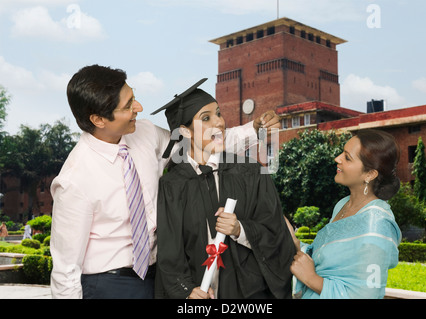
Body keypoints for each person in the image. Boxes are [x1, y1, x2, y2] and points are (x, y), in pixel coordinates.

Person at [50, 66, 280, 299]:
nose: (138, 108)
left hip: (158, 279)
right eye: (128, 106)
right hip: (109, 285)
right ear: (99, 119)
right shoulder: (73, 181)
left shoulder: (145, 133)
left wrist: (254, 130)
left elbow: (199, 141)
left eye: (134, 98)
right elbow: (65, 269)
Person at [154, 80, 296, 299]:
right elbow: (170, 254)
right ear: (185, 131)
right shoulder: (173, 185)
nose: (219, 122)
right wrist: (187, 291)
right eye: (206, 118)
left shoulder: (251, 173)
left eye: (218, 114)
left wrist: (241, 229)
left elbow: (278, 237)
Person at [290, 129, 402, 299]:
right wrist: (293, 241)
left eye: (347, 157)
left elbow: (367, 295)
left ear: (370, 174)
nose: (337, 159)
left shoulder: (377, 223)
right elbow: (322, 258)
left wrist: (311, 279)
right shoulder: (342, 204)